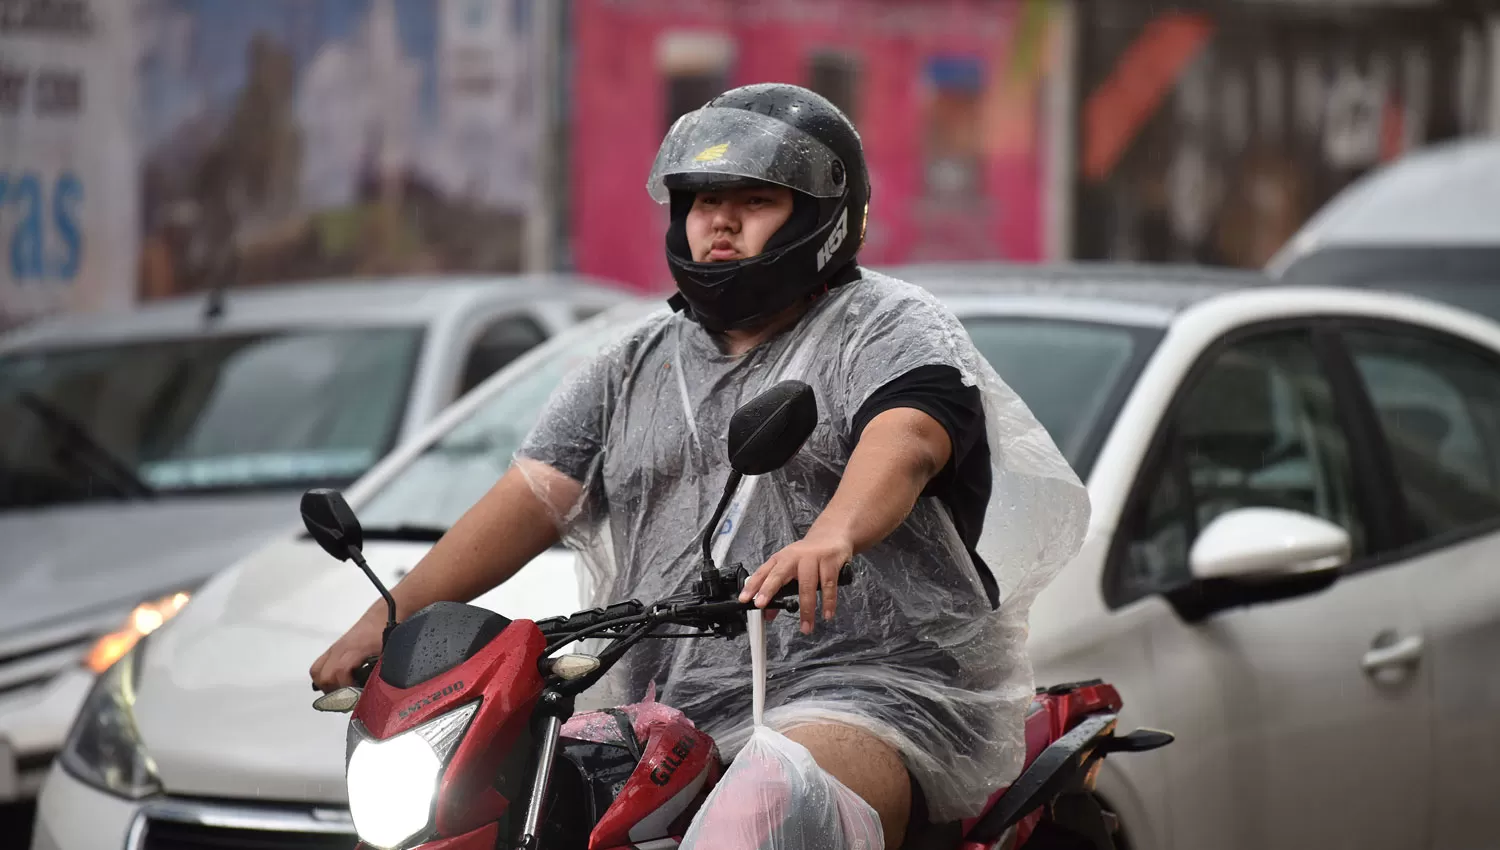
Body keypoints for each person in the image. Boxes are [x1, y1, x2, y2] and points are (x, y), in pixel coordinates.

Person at [311, 83, 1089, 848]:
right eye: (701, 200)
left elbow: (908, 437)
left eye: (754, 200)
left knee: (771, 805)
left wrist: (834, 534)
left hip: (867, 690)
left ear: (822, 218)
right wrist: (391, 615)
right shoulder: (628, 363)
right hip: (660, 706)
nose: (718, 220)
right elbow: (532, 495)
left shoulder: (885, 326)